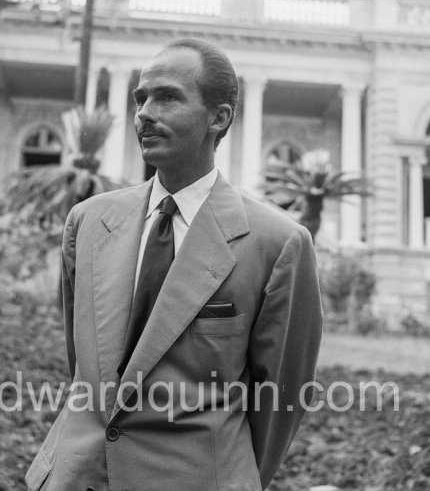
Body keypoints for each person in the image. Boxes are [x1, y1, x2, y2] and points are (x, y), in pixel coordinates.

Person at [25, 38, 323, 491]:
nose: (144, 112)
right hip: (77, 476)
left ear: (218, 117)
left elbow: (281, 397)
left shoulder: (278, 244)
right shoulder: (87, 222)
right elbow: (85, 365)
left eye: (167, 97)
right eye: (140, 98)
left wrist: (230, 476)